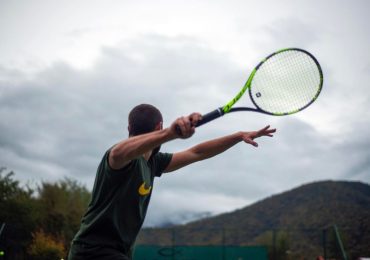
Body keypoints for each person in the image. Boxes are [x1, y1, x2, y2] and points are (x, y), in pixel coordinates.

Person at [68, 103, 276, 260]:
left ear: (128, 127)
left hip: (113, 252)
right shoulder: (122, 158)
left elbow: (197, 152)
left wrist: (238, 136)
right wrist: (169, 133)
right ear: (159, 125)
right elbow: (118, 152)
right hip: (92, 252)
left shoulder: (154, 162)